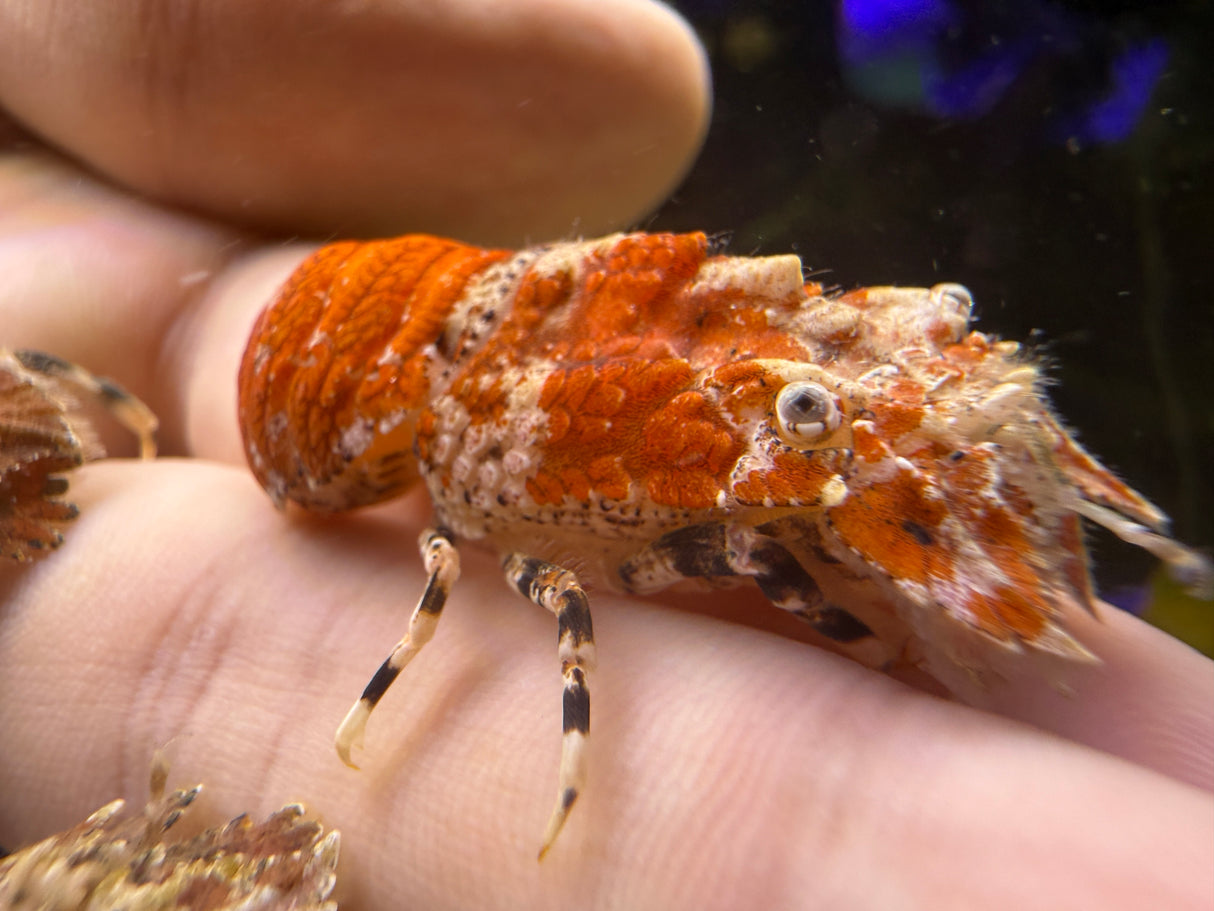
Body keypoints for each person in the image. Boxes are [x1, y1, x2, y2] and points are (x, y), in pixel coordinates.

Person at [0, 2, 1210, 908]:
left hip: (412, 311)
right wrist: (870, 628)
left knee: (811, 389)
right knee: (762, 525)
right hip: (315, 403)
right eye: (788, 415)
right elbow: (741, 542)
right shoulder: (474, 471)